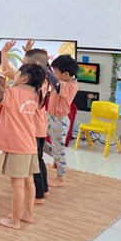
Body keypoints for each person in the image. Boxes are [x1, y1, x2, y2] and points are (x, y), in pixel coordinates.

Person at [0, 64, 45, 230]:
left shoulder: (13, 92)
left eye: (17, 73)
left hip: (16, 144)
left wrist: (1, 76)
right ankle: (27, 214)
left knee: (17, 185)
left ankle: (15, 221)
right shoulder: (35, 95)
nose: (14, 75)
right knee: (29, 181)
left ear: (24, 77)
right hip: (30, 144)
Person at [1, 40, 51, 203]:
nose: (21, 68)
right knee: (37, 161)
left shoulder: (36, 85)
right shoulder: (38, 81)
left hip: (31, 130)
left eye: (24, 64)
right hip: (35, 129)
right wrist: (4, 53)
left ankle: (38, 195)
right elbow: (8, 70)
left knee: (32, 167)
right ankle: (43, 191)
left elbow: (6, 74)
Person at [44, 54, 79, 187]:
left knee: (59, 149)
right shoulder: (61, 80)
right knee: (38, 140)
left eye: (56, 72)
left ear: (65, 74)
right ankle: (56, 157)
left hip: (59, 120)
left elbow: (55, 82)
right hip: (49, 116)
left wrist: (45, 68)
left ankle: (60, 177)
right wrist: (45, 62)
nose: (54, 74)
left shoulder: (70, 86)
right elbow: (52, 77)